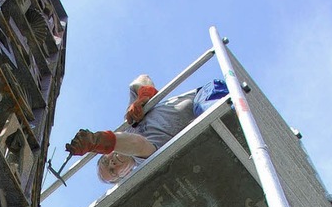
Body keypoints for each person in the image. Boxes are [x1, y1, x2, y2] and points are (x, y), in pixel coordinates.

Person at [65, 75, 228, 183]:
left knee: (207, 109)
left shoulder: (130, 122)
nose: (112, 163)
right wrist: (97, 141)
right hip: (206, 119)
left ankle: (231, 109)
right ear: (126, 174)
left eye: (105, 161)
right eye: (113, 171)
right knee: (211, 118)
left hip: (205, 96)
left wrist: (144, 96)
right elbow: (137, 144)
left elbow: (141, 79)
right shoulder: (145, 160)